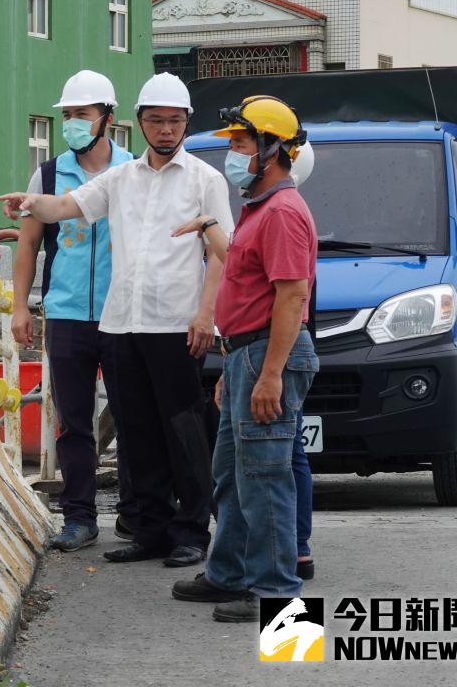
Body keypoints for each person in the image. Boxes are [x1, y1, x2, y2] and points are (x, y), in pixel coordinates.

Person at [0, 73, 234, 569]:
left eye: (174, 121)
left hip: (177, 324)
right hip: (123, 322)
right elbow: (67, 207)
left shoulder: (204, 180)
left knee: (183, 429)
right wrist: (29, 203)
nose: (165, 130)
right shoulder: (121, 179)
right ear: (140, 123)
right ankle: (149, 529)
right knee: (137, 428)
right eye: (156, 121)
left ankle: (191, 529)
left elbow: (220, 254)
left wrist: (206, 315)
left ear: (186, 123)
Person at [171, 95, 319, 623]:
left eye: (240, 143)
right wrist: (235, 365)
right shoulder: (259, 207)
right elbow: (244, 273)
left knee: (265, 478)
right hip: (247, 355)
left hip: (266, 354)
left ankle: (280, 598)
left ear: (273, 149)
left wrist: (269, 373)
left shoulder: (281, 212)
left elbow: (291, 296)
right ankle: (228, 573)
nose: (231, 152)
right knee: (232, 474)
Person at [10, 69, 136, 552]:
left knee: (131, 417)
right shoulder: (46, 174)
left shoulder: (132, 169)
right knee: (72, 421)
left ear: (108, 117)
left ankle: (133, 515)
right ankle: (79, 516)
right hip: (65, 316)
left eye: (82, 114)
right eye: (67, 115)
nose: (73, 123)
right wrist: (21, 307)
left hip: (124, 314)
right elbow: (28, 247)